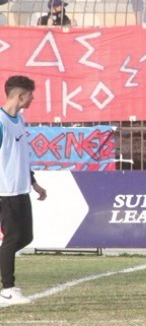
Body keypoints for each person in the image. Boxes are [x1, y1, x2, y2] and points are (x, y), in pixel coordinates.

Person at [0, 76, 47, 307]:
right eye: (30, 95)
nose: (33, 98)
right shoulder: (1, 122)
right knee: (12, 238)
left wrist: (33, 182)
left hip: (21, 189)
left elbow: (20, 156)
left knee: (26, 237)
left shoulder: (19, 119)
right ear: (20, 96)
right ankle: (8, 290)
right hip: (5, 192)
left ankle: (5, 265)